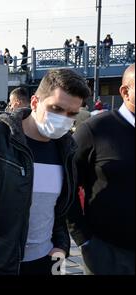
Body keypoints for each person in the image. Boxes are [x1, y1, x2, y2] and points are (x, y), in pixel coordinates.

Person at [0, 69, 91, 275]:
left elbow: (61, 209)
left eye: (71, 114)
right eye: (56, 108)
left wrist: (62, 246)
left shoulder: (67, 148)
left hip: (49, 261)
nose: (63, 119)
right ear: (34, 103)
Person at [67, 64, 135, 275]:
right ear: (125, 92)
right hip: (108, 253)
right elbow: (67, 186)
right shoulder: (95, 130)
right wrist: (83, 239)